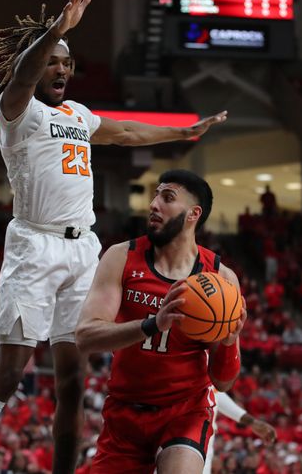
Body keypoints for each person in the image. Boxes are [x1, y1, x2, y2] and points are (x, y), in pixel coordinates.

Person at [0, 0, 226, 474]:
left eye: (67, 62)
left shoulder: (78, 114)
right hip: (34, 245)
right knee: (11, 371)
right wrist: (58, 28)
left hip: (82, 250)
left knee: (73, 380)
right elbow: (22, 75)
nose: (61, 69)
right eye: (53, 61)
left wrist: (181, 132)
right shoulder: (17, 111)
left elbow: (126, 132)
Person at [76, 169, 245, 474]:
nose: (154, 204)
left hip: (185, 411)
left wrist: (230, 342)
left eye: (167, 198)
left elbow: (223, 381)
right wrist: (153, 324)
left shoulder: (221, 278)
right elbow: (86, 336)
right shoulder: (121, 256)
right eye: (155, 194)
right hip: (125, 412)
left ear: (194, 214)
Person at [202, 389, 276, 474]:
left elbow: (214, 393)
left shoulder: (210, 386)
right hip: (192, 439)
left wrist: (252, 422)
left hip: (205, 445)